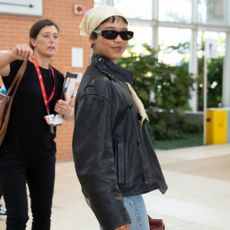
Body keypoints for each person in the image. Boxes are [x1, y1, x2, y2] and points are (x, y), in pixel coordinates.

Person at [72, 5, 168, 230]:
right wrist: (115, 214)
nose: (119, 40)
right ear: (92, 38)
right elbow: (92, 158)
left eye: (125, 33)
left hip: (124, 190)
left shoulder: (114, 79)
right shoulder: (99, 86)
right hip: (119, 194)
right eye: (110, 33)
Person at [0, 19, 73, 230]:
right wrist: (13, 53)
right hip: (11, 154)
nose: (52, 40)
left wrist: (67, 112)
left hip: (44, 154)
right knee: (18, 216)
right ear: (33, 41)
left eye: (56, 36)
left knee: (43, 216)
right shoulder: (18, 66)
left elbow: (64, 116)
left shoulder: (59, 77)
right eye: (46, 35)